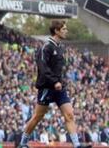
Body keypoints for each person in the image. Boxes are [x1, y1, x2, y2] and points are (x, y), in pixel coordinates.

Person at [18, 20, 92, 148]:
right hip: (47, 87)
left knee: (69, 114)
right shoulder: (46, 46)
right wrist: (54, 81)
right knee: (38, 116)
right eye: (63, 29)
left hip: (59, 87)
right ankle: (23, 143)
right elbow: (43, 67)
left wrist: (61, 82)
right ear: (56, 31)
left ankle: (77, 145)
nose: (66, 31)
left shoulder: (60, 47)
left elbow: (58, 69)